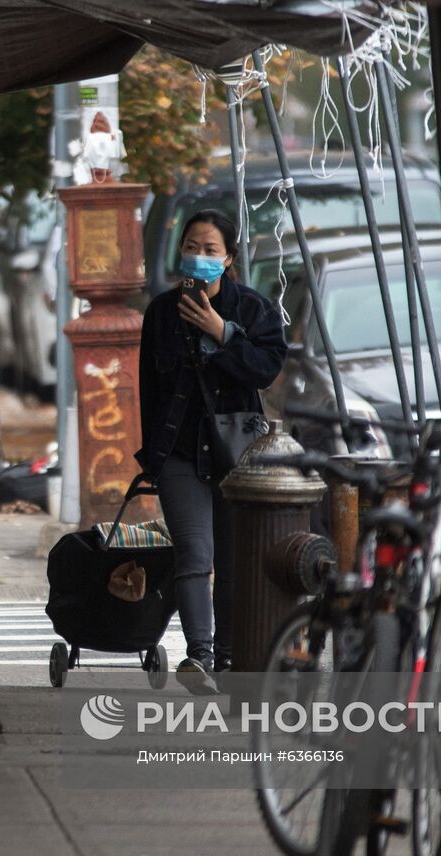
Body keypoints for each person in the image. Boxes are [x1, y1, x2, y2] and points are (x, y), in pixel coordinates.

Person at [136, 210, 286, 694]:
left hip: (237, 454)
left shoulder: (253, 309)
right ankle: (198, 655)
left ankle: (227, 656)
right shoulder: (162, 311)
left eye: (210, 250)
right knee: (195, 553)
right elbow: (149, 390)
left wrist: (223, 332)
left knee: (233, 559)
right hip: (179, 451)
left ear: (230, 258)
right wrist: (153, 459)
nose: (199, 257)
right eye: (192, 247)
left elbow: (265, 369)